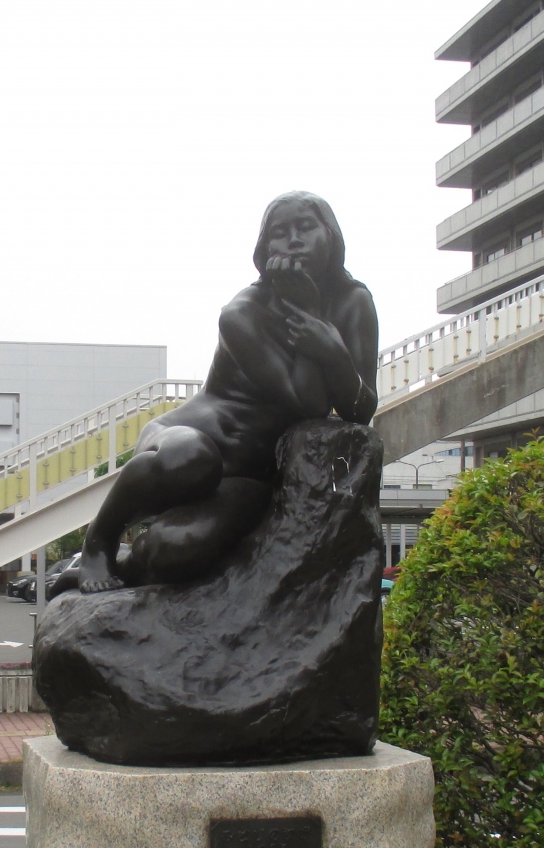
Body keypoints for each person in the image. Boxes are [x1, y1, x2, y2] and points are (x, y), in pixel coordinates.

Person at [52, 191, 379, 597]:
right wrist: (310, 318)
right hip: (185, 440)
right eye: (280, 233)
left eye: (306, 227)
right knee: (191, 459)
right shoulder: (242, 313)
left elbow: (361, 409)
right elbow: (306, 403)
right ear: (264, 251)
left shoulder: (354, 303)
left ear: (331, 235)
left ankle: (127, 566)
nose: (294, 241)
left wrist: (333, 351)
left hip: (249, 473)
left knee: (178, 546)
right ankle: (99, 542)